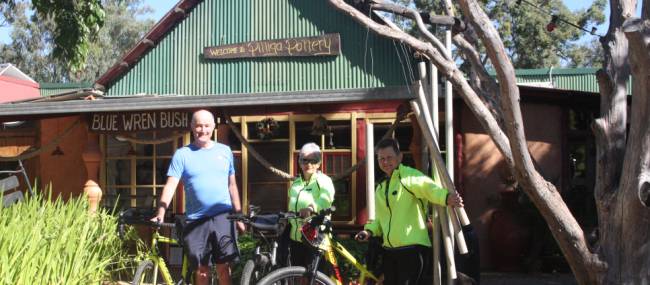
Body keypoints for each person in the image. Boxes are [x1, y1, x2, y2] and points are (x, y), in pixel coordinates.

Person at [152, 109, 244, 285]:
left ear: (213, 127)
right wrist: (161, 212)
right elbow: (171, 186)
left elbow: (232, 185)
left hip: (223, 217)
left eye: (207, 125)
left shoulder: (225, 152)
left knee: (223, 267)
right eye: (199, 125)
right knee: (201, 270)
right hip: (195, 220)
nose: (203, 130)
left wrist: (239, 214)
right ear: (192, 127)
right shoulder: (182, 154)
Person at [355, 138, 464, 285]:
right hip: (389, 250)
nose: (385, 162)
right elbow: (381, 219)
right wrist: (368, 231)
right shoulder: (381, 187)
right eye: (381, 159)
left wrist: (446, 198)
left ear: (399, 157)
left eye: (389, 158)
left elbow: (429, 189)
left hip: (412, 248)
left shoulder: (409, 176)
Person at [286, 142, 335, 267]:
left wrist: (311, 208)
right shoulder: (296, 183)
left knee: (314, 277)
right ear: (299, 162)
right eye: (304, 160)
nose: (308, 164)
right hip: (296, 238)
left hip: (315, 237)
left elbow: (325, 200)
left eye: (313, 160)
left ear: (319, 163)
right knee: (296, 275)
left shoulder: (324, 180)